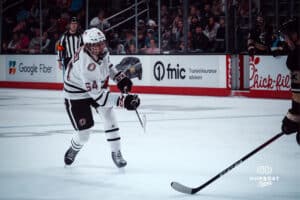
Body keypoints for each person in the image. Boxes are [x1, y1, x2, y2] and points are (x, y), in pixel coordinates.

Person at [63, 27, 141, 167]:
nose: (101, 46)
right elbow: (99, 97)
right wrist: (124, 101)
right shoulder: (86, 65)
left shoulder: (102, 52)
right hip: (76, 94)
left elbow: (108, 66)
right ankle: (74, 148)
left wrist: (120, 78)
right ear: (87, 46)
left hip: (94, 86)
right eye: (96, 44)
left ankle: (116, 152)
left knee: (109, 116)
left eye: (102, 42)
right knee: (84, 135)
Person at [279, 18, 300, 145]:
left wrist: (291, 120)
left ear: (295, 35)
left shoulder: (297, 56)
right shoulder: (296, 54)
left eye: (286, 36)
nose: (285, 40)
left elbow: (298, 97)